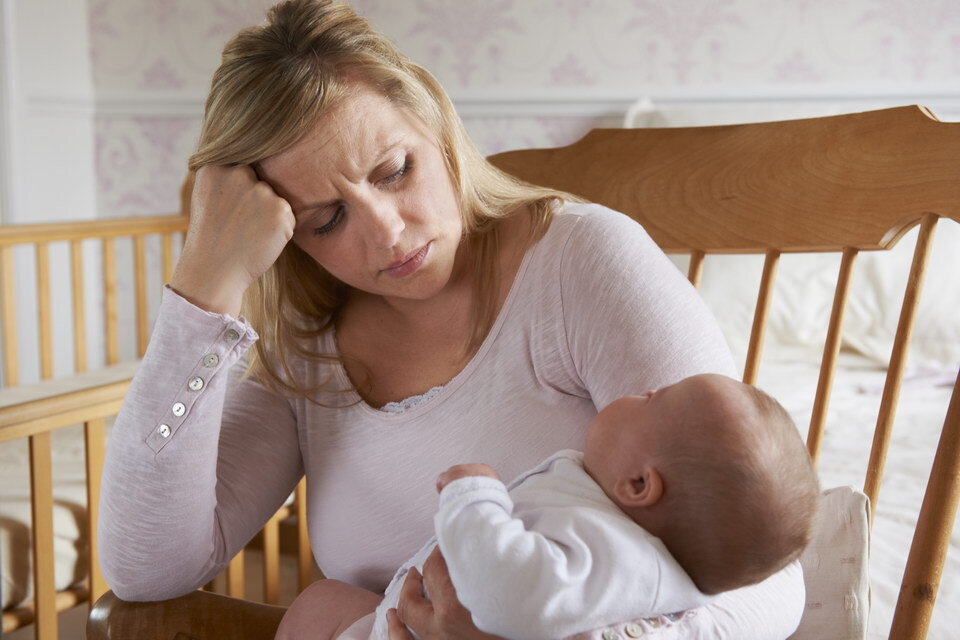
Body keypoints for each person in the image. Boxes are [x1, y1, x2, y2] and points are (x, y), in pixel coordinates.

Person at [98, 1, 808, 638]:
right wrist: (202, 289)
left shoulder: (582, 264)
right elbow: (146, 566)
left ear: (434, 121)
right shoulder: (308, 350)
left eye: (394, 170)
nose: (387, 235)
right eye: (328, 220)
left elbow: (768, 588)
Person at [278, 373, 820, 640]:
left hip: (414, 628)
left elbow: (512, 593)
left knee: (318, 609)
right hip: (400, 619)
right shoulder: (621, 531)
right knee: (322, 602)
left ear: (637, 483)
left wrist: (476, 495)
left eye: (654, 399)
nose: (642, 390)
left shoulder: (618, 553)